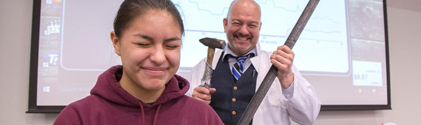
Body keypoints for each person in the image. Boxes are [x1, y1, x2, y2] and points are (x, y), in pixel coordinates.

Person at [54, 0, 224, 124]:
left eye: (171, 46)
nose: (158, 57)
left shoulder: (202, 117)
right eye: (143, 44)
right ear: (116, 42)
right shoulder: (79, 118)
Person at [187, 0, 321, 125]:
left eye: (252, 25)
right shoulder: (202, 67)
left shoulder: (281, 67)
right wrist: (193, 106)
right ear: (225, 24)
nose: (244, 31)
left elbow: (309, 116)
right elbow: (185, 116)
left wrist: (287, 79)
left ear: (259, 27)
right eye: (237, 23)